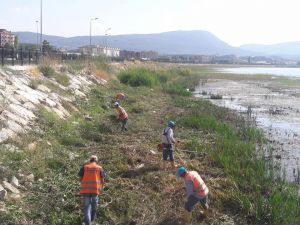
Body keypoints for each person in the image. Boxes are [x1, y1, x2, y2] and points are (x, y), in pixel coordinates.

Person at [78, 155, 106, 225]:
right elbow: (102, 180)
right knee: (94, 207)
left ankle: (88, 223)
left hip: (85, 191)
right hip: (95, 191)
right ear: (96, 161)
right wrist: (101, 188)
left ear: (90, 160)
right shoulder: (99, 168)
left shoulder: (85, 167)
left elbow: (80, 179)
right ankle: (91, 221)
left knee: (87, 209)